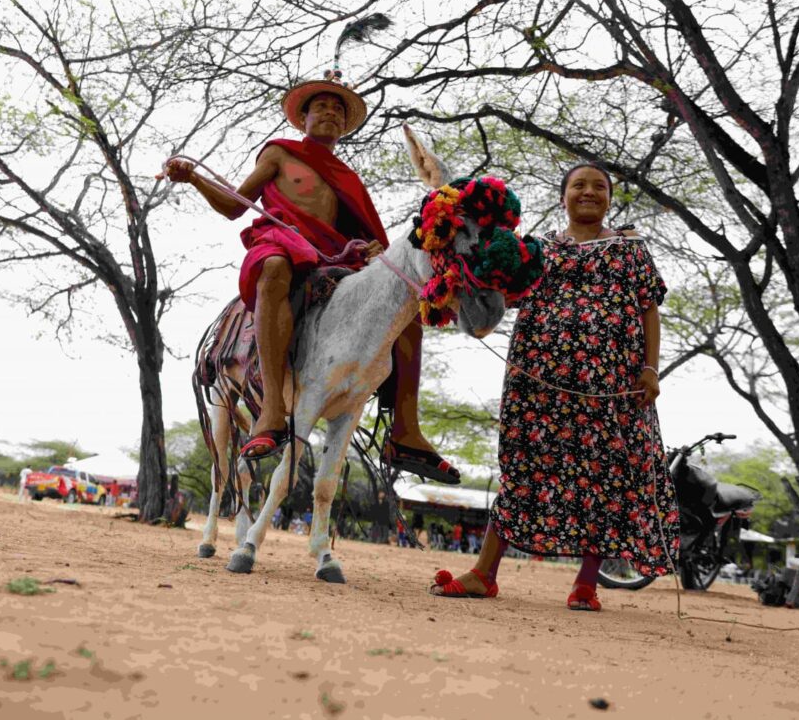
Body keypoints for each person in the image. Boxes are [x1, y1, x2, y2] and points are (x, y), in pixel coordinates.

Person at [161, 76, 458, 484]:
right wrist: (194, 178)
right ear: (304, 117)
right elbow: (234, 206)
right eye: (322, 107)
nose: (330, 114)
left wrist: (372, 249)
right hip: (284, 240)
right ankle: (270, 411)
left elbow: (366, 232)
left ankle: (405, 430)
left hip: (337, 253)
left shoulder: (348, 177)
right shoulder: (279, 153)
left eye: (338, 110)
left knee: (403, 305)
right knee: (273, 269)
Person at [430, 163, 679, 611]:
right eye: (578, 185)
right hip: (537, 380)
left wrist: (650, 369)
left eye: (598, 186)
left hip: (610, 383)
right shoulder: (534, 249)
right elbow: (497, 299)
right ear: (563, 195)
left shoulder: (631, 250)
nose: (588, 192)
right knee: (523, 465)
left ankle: (586, 584)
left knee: (603, 473)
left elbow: (648, 310)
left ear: (610, 197)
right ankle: (484, 575)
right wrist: (453, 275)